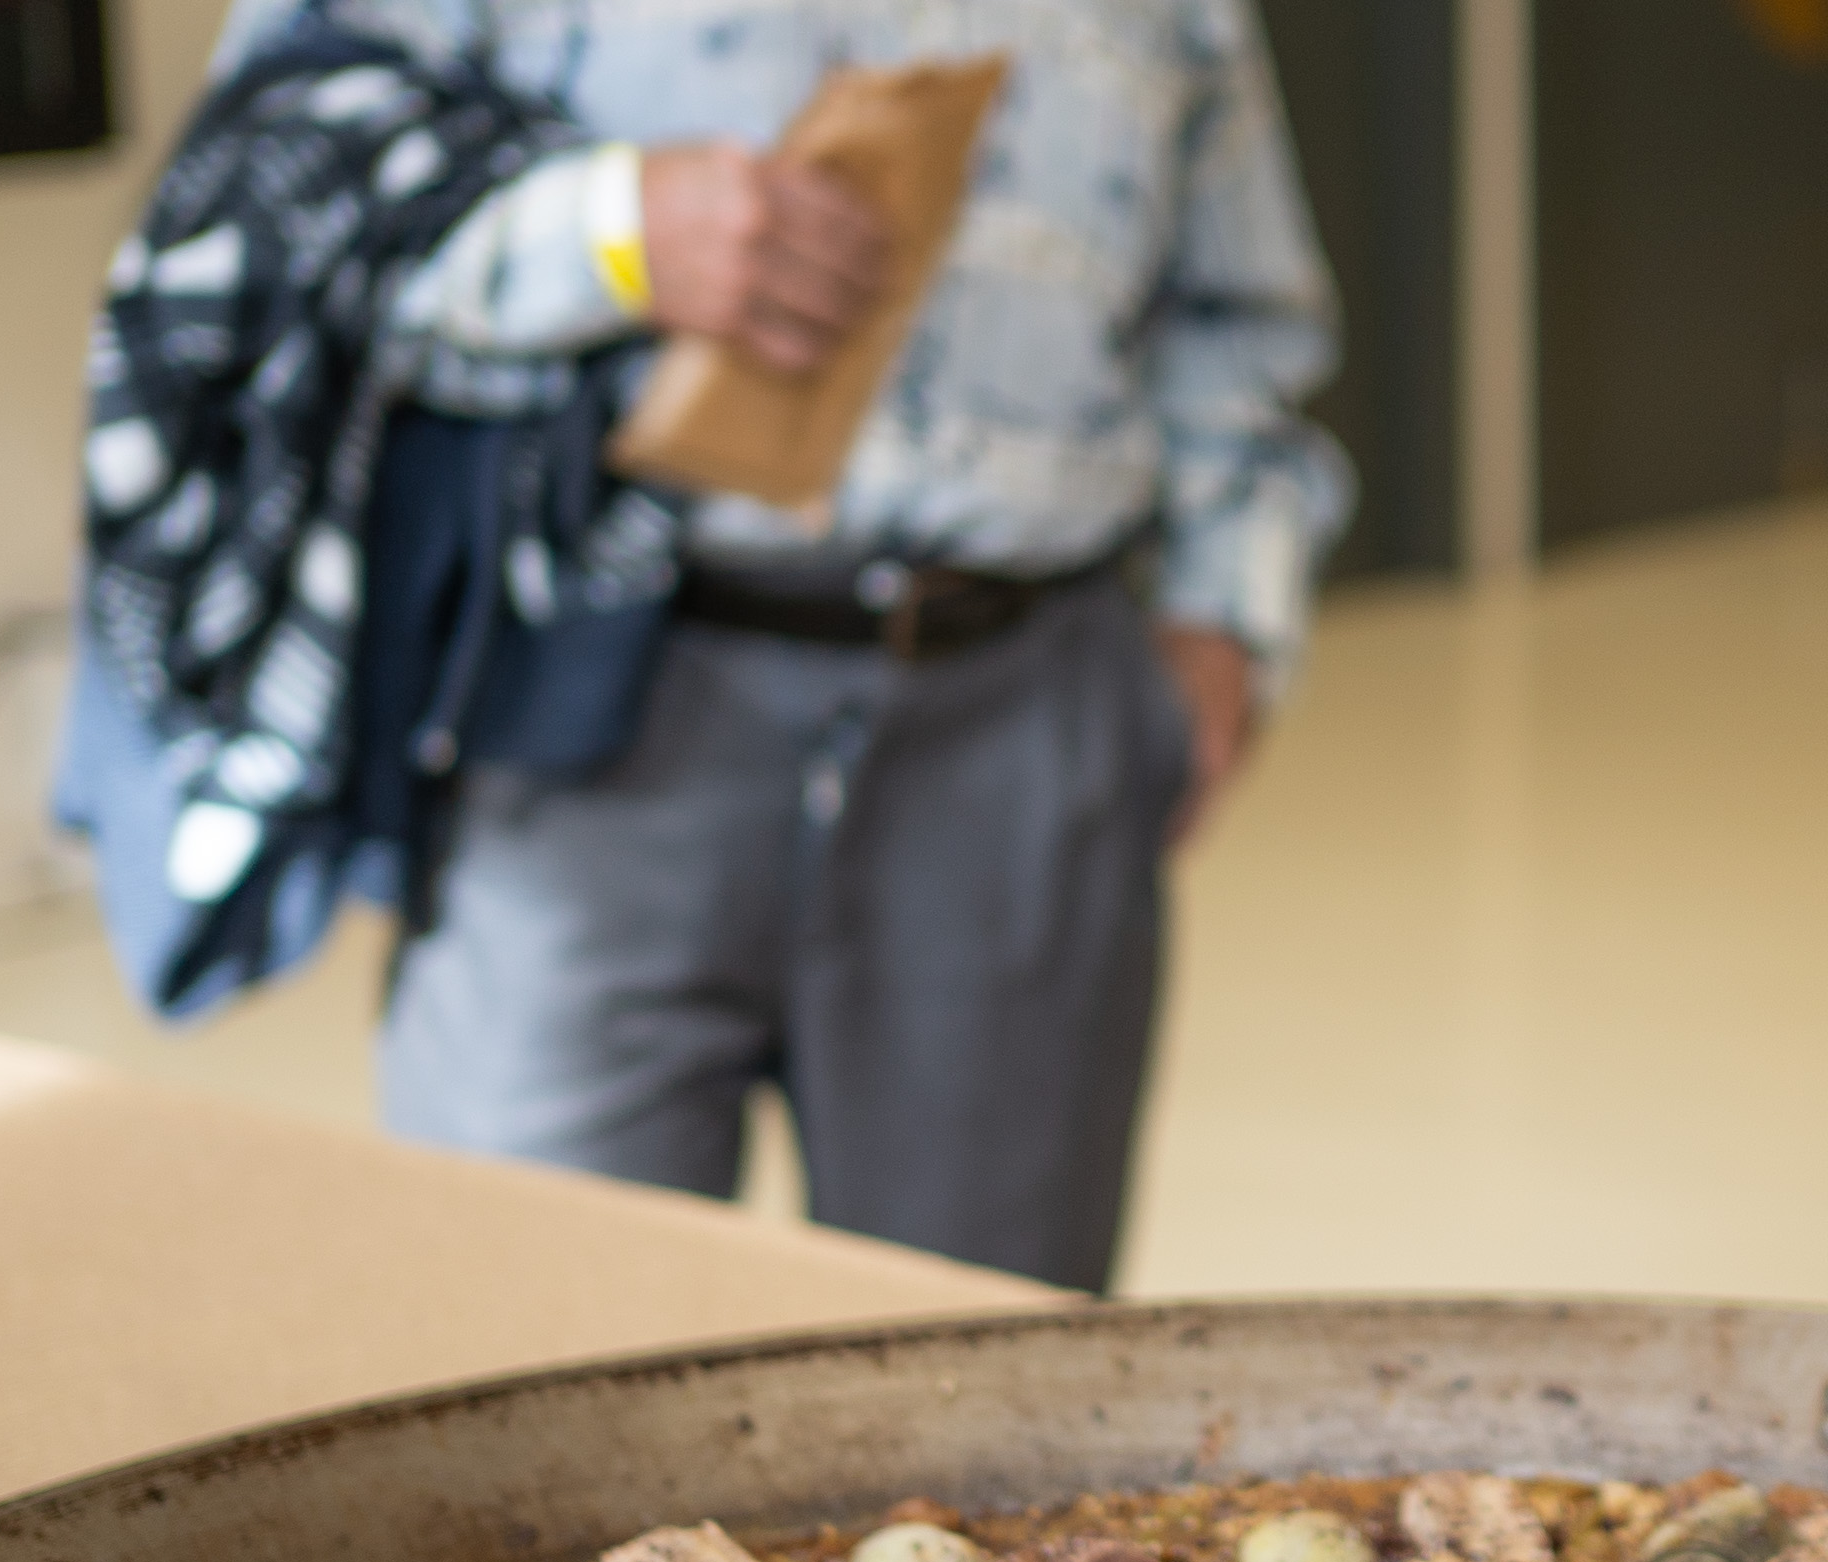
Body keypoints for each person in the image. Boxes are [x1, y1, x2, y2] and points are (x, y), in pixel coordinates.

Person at [203, 0, 1350, 1293]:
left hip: (1019, 712)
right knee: (534, 1330)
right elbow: (265, 183)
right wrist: (612, 233)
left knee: (975, 1366)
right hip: (591, 711)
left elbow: (1234, 316)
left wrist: (1229, 618)